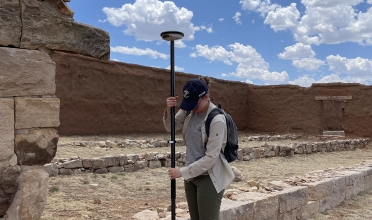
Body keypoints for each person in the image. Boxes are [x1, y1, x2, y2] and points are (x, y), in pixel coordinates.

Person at [163, 78, 235, 220]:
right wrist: (169, 109)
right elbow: (170, 127)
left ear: (206, 97)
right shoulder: (189, 109)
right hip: (191, 176)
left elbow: (211, 158)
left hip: (209, 178)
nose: (191, 108)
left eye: (194, 105)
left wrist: (181, 172)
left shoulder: (217, 120)